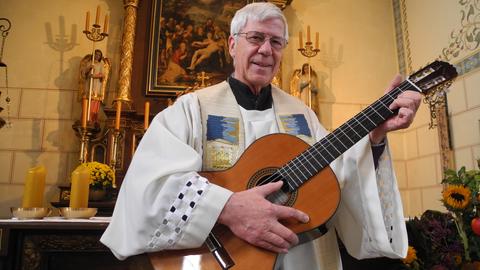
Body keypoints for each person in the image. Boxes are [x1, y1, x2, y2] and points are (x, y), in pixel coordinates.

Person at [101, 3, 422, 269]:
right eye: (256, 38)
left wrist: (375, 138)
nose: (266, 50)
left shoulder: (303, 116)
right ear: (232, 44)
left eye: (276, 42)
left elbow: (341, 177)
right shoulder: (192, 109)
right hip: (220, 257)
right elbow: (149, 185)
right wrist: (225, 207)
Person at [79, 49, 110, 123]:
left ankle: (92, 120)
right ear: (93, 55)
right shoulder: (89, 63)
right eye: (96, 54)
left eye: (99, 55)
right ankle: (85, 119)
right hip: (88, 86)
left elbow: (103, 75)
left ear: (100, 56)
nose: (97, 56)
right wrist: (89, 68)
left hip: (96, 86)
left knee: (94, 103)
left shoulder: (101, 64)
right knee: (86, 102)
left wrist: (94, 76)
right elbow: (83, 74)